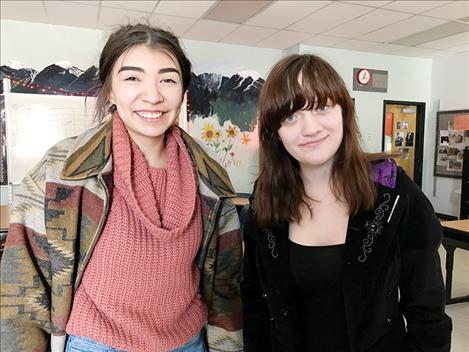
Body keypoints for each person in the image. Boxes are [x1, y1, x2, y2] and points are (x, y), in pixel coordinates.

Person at [0, 24, 243, 352]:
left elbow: (225, 286)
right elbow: (21, 287)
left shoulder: (210, 180)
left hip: (187, 342)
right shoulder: (65, 171)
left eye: (167, 79)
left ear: (183, 90)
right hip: (95, 343)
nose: (153, 95)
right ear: (110, 90)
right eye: (133, 78)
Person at [241, 54, 452, 352]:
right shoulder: (265, 200)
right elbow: (255, 306)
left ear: (343, 112)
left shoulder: (392, 190)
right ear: (275, 132)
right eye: (290, 116)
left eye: (321, 107)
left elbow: (427, 310)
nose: (310, 128)